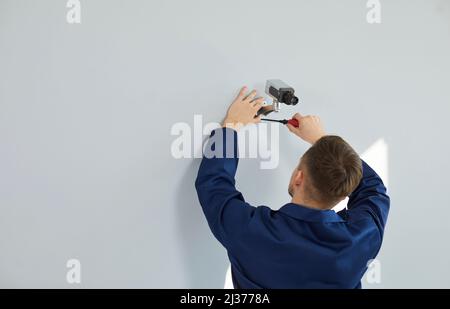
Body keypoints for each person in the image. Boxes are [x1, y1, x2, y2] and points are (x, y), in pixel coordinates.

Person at [195, 86, 390, 288]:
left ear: (299, 177)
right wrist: (323, 141)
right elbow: (373, 188)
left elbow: (214, 184)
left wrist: (231, 126)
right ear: (343, 194)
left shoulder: (251, 232)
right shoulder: (361, 239)